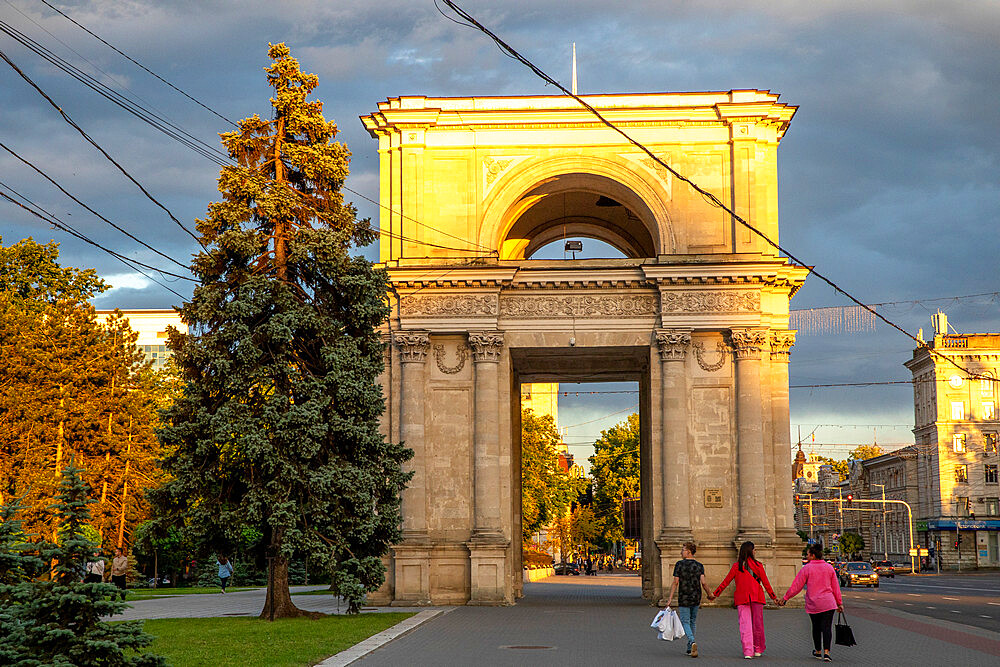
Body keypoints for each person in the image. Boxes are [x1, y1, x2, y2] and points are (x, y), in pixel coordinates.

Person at [712, 541, 779, 659]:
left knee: (745, 625)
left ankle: (748, 651)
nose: (755, 551)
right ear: (751, 551)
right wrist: (773, 597)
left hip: (742, 598)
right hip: (757, 597)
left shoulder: (736, 566)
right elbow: (766, 583)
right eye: (754, 549)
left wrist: (715, 594)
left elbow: (726, 582)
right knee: (758, 625)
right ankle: (758, 648)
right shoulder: (758, 566)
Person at [780, 543, 843, 662]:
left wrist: (785, 598)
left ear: (813, 556)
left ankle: (818, 651)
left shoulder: (807, 568)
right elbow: (835, 588)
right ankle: (827, 652)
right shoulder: (829, 568)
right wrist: (839, 603)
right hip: (828, 603)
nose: (807, 556)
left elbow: (797, 586)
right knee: (827, 627)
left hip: (814, 603)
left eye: (808, 554)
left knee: (816, 627)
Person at [665, 541, 715, 658]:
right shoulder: (699, 566)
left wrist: (669, 599)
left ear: (688, 552)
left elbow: (675, 582)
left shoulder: (679, 565)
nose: (681, 552)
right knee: (692, 621)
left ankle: (692, 641)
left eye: (683, 550)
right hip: (696, 596)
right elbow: (703, 583)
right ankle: (689, 648)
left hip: (684, 596)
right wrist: (710, 594)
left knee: (685, 621)